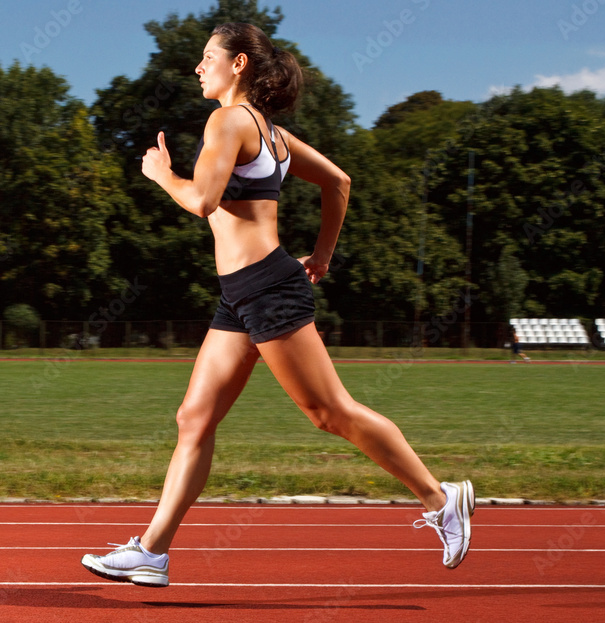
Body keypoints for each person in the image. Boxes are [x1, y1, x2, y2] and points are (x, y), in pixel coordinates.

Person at [81, 22, 473, 588]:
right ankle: (152, 551)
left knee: (329, 411)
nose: (198, 67)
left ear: (238, 64)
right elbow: (338, 182)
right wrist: (322, 255)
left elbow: (203, 200)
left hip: (266, 288)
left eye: (207, 57)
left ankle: (441, 499)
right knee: (194, 417)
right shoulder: (273, 133)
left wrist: (162, 174)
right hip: (240, 294)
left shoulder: (229, 121)